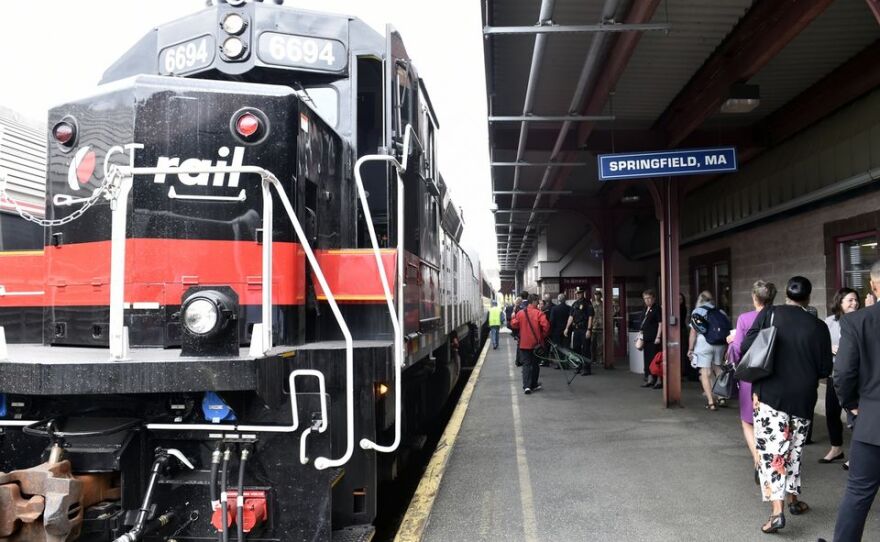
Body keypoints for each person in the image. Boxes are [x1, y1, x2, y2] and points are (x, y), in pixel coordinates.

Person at [741, 276, 833, 534]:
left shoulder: (769, 314)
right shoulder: (818, 326)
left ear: (786, 296)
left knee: (772, 453)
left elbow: (748, 346)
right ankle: (793, 501)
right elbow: (825, 369)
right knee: (793, 451)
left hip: (771, 395)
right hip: (803, 398)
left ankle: (777, 513)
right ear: (808, 298)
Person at [831, 262, 880, 542]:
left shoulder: (857, 321)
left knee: (859, 494)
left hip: (873, 420)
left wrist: (850, 404)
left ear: (872, 286)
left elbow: (844, 372)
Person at [727, 280, 777, 478]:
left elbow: (738, 349)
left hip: (750, 375)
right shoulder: (778, 317)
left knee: (748, 421)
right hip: (774, 374)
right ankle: (772, 459)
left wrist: (731, 343)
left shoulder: (745, 319)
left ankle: (758, 461)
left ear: (754, 297)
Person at [820, 288, 859, 465]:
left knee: (854, 415)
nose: (854, 303)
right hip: (834, 374)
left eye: (856, 300)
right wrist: (829, 348)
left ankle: (857, 455)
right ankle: (836, 448)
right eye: (850, 300)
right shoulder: (830, 322)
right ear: (840, 302)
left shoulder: (862, 319)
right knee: (831, 413)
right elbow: (820, 344)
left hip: (856, 375)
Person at [687, 291, 729, 405]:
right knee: (718, 369)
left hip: (704, 344)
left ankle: (711, 402)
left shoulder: (697, 312)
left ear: (700, 300)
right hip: (720, 344)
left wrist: (690, 349)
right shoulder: (721, 312)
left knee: (705, 372)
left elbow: (693, 333)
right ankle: (721, 397)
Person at [510, 293, 550, 395]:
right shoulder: (539, 313)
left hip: (524, 344)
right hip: (536, 344)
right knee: (535, 364)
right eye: (537, 302)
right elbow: (546, 326)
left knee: (526, 365)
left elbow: (514, 324)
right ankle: (534, 384)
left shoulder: (521, 313)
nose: (538, 304)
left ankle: (526, 386)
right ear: (535, 301)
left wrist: (513, 317)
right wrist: (542, 336)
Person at [639, 289, 662, 388]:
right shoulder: (645, 309)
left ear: (653, 298)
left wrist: (658, 336)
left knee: (655, 359)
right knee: (647, 359)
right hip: (646, 337)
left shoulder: (657, 309)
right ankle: (650, 379)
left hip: (654, 338)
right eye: (645, 298)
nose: (647, 300)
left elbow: (660, 324)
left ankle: (659, 380)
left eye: (649, 298)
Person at [564, 287, 593, 359]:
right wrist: (567, 328)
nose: (578, 295)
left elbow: (590, 317)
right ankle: (578, 366)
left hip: (584, 329)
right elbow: (571, 316)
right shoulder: (574, 304)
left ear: (583, 293)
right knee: (576, 348)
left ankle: (587, 368)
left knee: (586, 349)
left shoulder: (587, 303)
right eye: (577, 293)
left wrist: (589, 330)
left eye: (580, 293)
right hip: (576, 329)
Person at [591, 290, 605, 367]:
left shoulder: (603, 304)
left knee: (601, 344)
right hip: (593, 327)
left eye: (598, 295)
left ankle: (601, 358)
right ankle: (593, 358)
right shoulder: (592, 304)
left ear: (600, 296)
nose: (596, 296)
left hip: (601, 327)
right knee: (593, 344)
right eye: (595, 295)